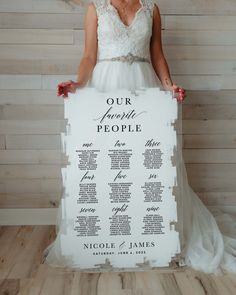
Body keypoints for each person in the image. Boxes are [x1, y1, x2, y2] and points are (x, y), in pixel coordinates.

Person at [44, 0, 236, 274]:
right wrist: (78, 83)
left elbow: (157, 54)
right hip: (106, 88)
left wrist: (169, 87)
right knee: (107, 165)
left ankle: (150, 238)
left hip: (144, 88)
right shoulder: (96, 8)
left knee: (148, 165)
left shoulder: (151, 8)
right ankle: (107, 239)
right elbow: (89, 55)